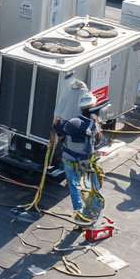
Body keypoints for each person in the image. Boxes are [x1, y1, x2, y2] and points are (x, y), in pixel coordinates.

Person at [51, 94, 104, 226]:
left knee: (74, 188)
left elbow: (59, 129)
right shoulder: (94, 125)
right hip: (85, 163)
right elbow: (97, 142)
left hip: (69, 161)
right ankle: (92, 213)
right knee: (91, 185)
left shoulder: (73, 123)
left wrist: (58, 121)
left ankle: (79, 214)